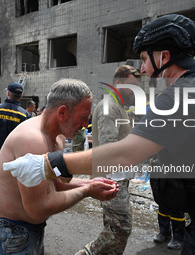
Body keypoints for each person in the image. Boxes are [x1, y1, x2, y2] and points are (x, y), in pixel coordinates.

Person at [9, 14, 195, 255]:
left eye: (144, 59)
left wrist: (50, 164)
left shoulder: (186, 93)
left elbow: (126, 152)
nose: (143, 69)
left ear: (164, 56)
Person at [0, 79, 118, 254]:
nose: (85, 125)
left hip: (25, 232)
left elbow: (55, 182)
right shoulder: (32, 140)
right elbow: (37, 208)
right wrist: (87, 191)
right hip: (9, 233)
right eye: (83, 117)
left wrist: (89, 184)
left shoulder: (57, 136)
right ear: (63, 112)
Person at [77, 65, 140, 255]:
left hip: (118, 178)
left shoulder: (117, 106)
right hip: (111, 179)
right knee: (120, 229)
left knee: (114, 228)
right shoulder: (109, 107)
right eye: (131, 86)